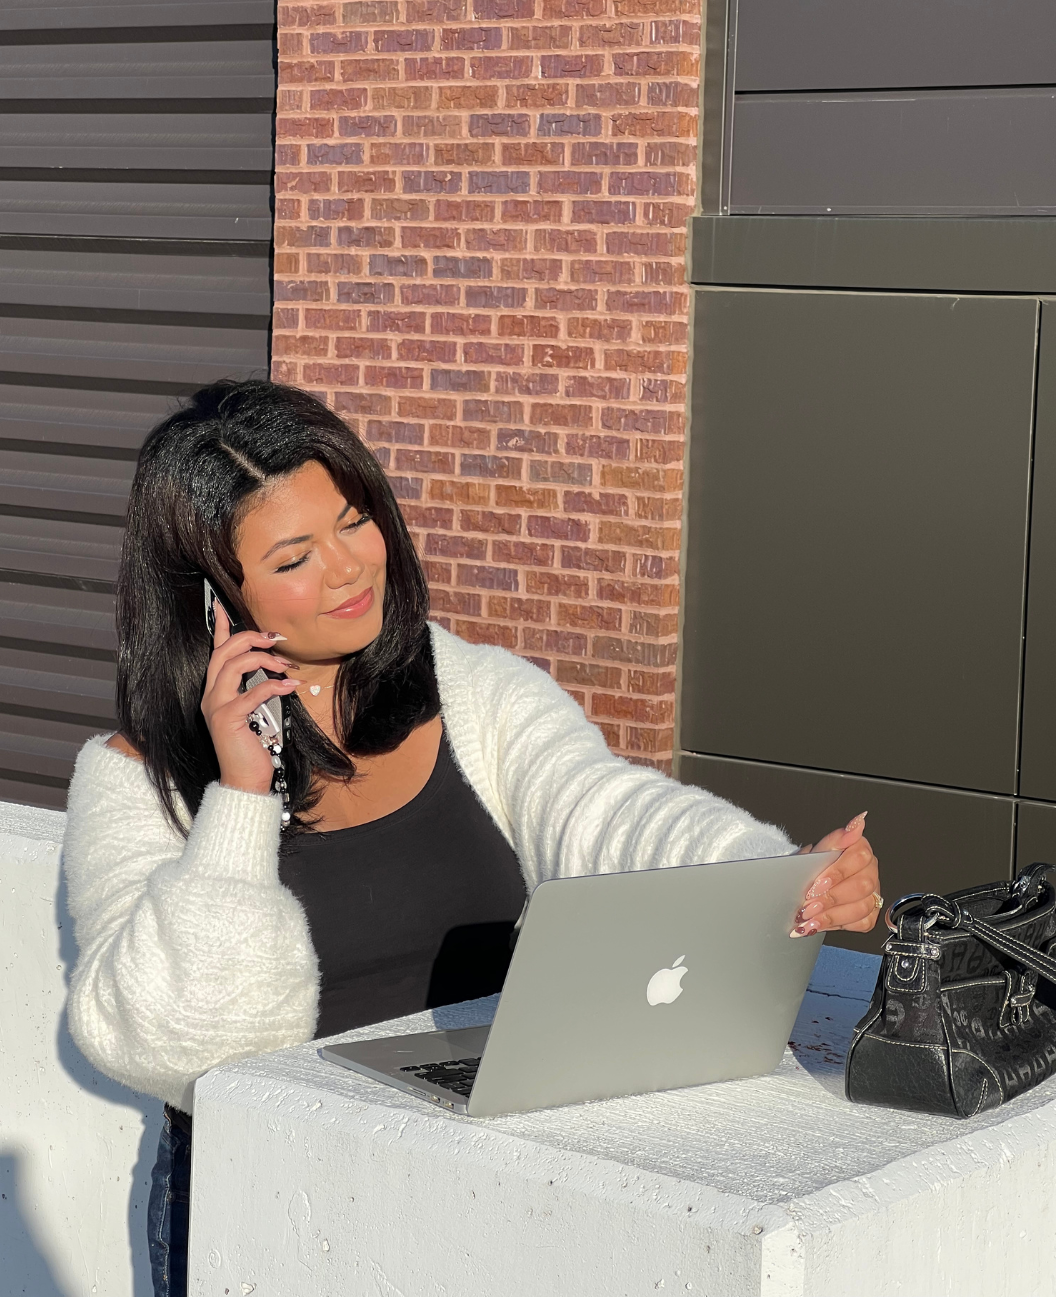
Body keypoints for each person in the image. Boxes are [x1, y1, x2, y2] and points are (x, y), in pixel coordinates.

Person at [63, 380, 881, 1297]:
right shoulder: (138, 776)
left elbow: (600, 807)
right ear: (214, 598)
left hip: (478, 1186)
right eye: (295, 556)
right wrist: (242, 799)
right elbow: (181, 1048)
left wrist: (771, 876)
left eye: (354, 520)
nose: (348, 567)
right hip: (271, 1203)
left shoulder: (477, 689)